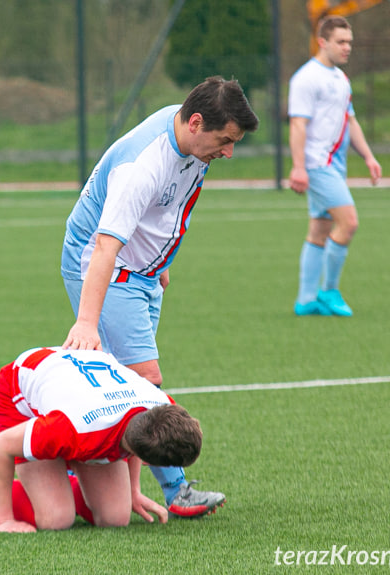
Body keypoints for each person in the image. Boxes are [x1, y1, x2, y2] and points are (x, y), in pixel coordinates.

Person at [59, 76, 259, 516]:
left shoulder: (190, 136)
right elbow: (103, 247)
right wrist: (87, 323)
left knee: (116, 388)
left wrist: (160, 258)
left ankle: (65, 470)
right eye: (224, 141)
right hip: (108, 268)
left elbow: (168, 205)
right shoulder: (141, 166)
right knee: (143, 380)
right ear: (195, 122)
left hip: (142, 270)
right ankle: (176, 489)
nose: (228, 152)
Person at [0, 347, 203, 533]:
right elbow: (1, 445)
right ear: (149, 462)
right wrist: (4, 520)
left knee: (115, 518)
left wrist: (133, 491)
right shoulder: (72, 429)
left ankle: (60, 484)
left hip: (79, 395)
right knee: (56, 519)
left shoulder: (161, 405)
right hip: (21, 393)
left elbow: (142, 434)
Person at [288, 16, 381, 317]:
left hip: (334, 165)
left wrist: (368, 156)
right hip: (318, 164)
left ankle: (305, 300)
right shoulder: (306, 78)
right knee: (349, 222)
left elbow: (349, 120)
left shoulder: (341, 79)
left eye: (349, 42)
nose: (347, 48)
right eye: (341, 42)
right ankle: (329, 290)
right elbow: (298, 125)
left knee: (319, 230)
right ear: (322, 42)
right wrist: (299, 167)